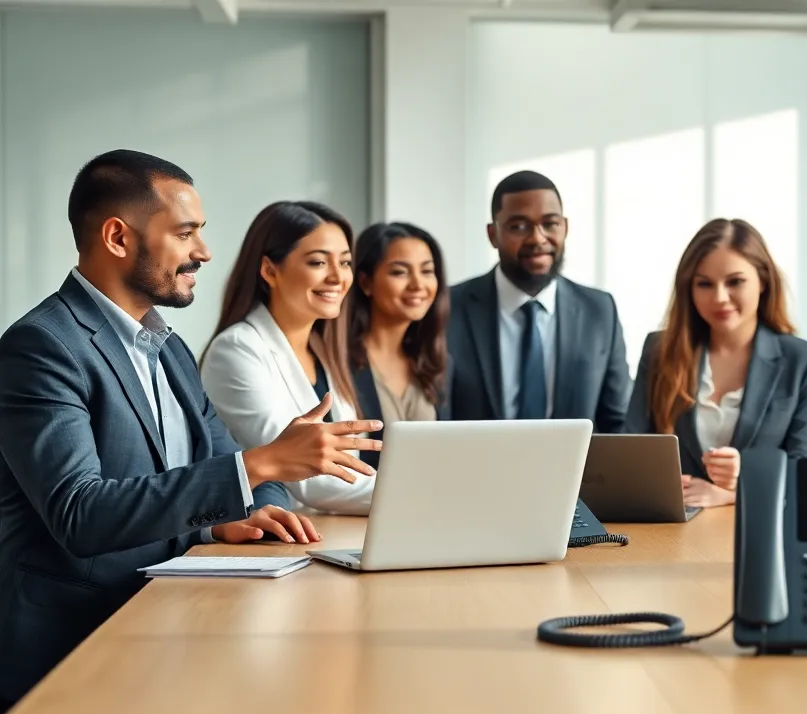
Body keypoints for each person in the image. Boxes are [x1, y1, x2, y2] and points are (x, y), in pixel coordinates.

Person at [0, 150, 380, 711]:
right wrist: (262, 466)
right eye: (186, 234)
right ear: (117, 237)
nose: (203, 251)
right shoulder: (42, 347)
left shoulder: (169, 348)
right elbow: (80, 515)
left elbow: (223, 463)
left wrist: (249, 509)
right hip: (76, 644)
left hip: (170, 619)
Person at [624, 219, 807, 508]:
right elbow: (632, 451)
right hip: (670, 528)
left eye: (735, 282)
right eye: (704, 284)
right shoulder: (659, 350)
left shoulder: (805, 362)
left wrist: (736, 491)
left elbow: (804, 473)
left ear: (763, 281)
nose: (719, 297)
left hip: (757, 529)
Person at [201, 201, 375, 515]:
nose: (338, 277)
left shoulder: (323, 349)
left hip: (338, 532)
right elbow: (306, 474)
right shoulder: (236, 350)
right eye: (319, 262)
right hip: (275, 543)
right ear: (269, 270)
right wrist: (420, 494)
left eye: (345, 262)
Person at [447, 171, 630, 432]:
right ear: (492, 234)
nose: (537, 238)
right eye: (518, 226)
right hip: (473, 470)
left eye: (550, 224)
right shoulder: (449, 307)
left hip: (577, 472)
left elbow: (618, 423)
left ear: (565, 227)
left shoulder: (599, 310)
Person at [337, 222, 452, 470]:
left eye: (427, 271)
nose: (418, 284)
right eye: (400, 272)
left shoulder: (435, 360)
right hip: (360, 505)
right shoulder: (339, 360)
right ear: (366, 283)